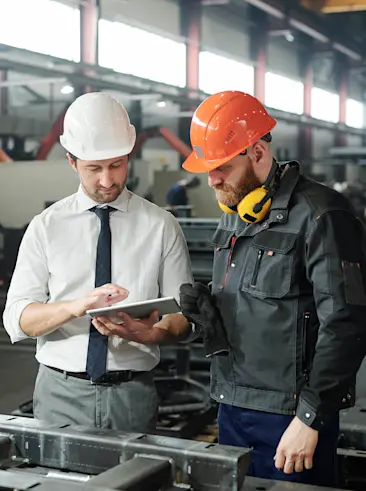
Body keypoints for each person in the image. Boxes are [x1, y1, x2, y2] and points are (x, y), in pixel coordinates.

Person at [178, 90, 366, 487]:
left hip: (290, 417)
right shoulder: (234, 217)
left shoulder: (321, 215)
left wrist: (310, 418)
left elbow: (346, 322)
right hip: (232, 406)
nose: (211, 179)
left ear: (257, 152)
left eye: (222, 167)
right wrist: (208, 317)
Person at [3, 92, 194, 433]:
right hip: (59, 394)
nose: (107, 181)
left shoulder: (161, 226)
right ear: (72, 161)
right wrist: (77, 307)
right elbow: (19, 319)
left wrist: (151, 332)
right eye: (94, 168)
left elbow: (183, 317)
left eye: (117, 165)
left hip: (133, 395)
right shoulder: (46, 227)